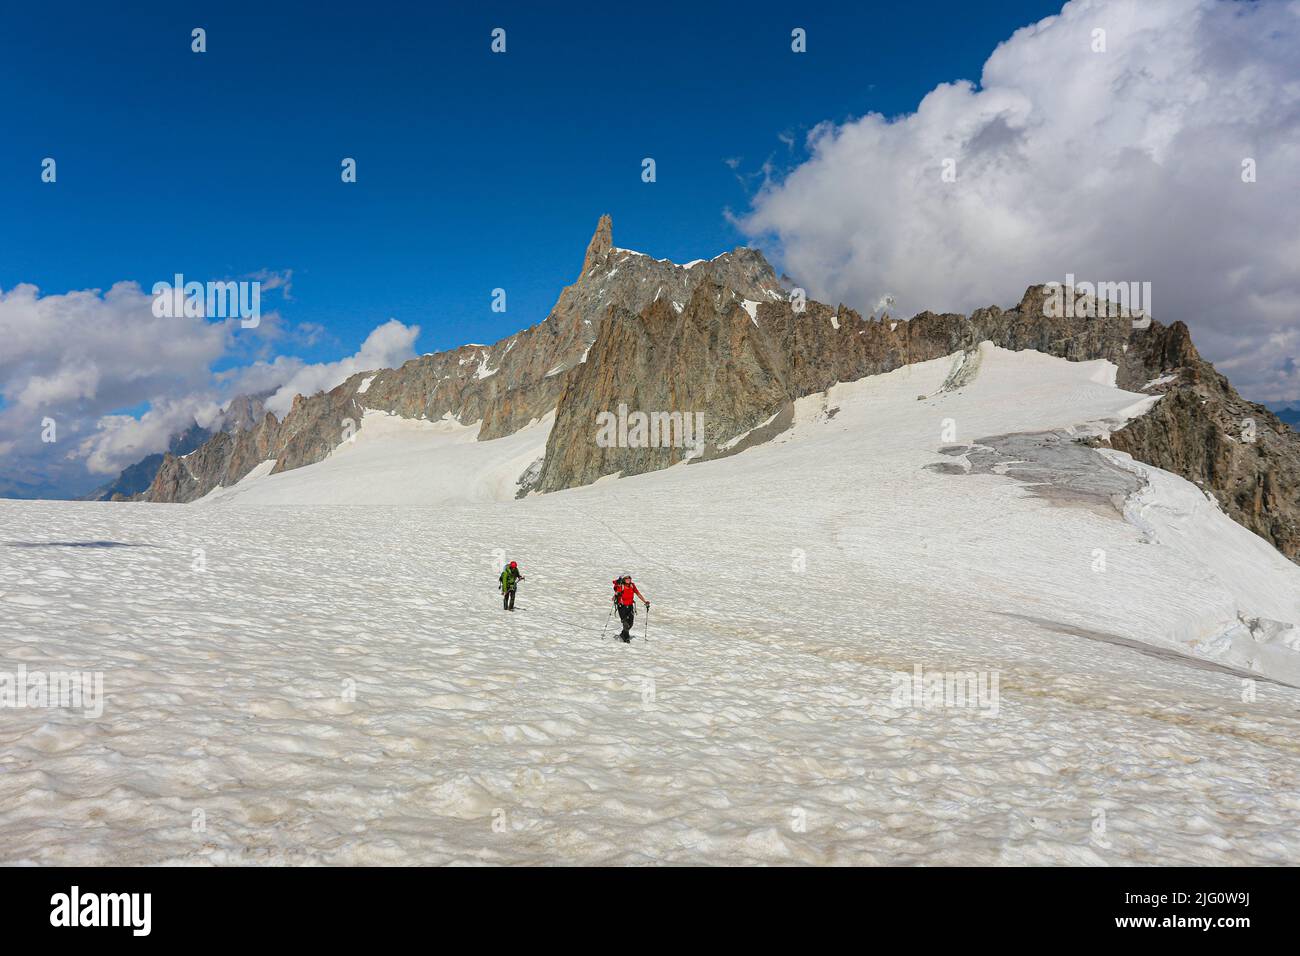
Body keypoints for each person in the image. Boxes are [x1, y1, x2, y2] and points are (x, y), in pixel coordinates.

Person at [612, 574, 649, 643]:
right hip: (622, 607)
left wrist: (645, 601)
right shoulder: (621, 586)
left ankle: (623, 634)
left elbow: (638, 594)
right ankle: (626, 638)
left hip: (630, 607)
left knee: (630, 624)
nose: (628, 579)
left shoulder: (632, 585)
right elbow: (615, 595)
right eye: (626, 578)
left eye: (629, 578)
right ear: (623, 579)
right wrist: (615, 595)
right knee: (625, 623)